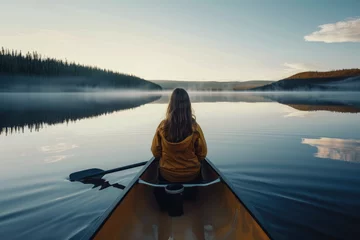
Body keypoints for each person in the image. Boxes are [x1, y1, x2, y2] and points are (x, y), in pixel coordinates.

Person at [151, 88, 207, 209]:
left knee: (158, 169)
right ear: (188, 105)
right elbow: (202, 154)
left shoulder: (162, 127)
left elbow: (156, 153)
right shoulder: (195, 128)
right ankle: (191, 196)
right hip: (192, 175)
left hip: (167, 175)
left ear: (171, 105)